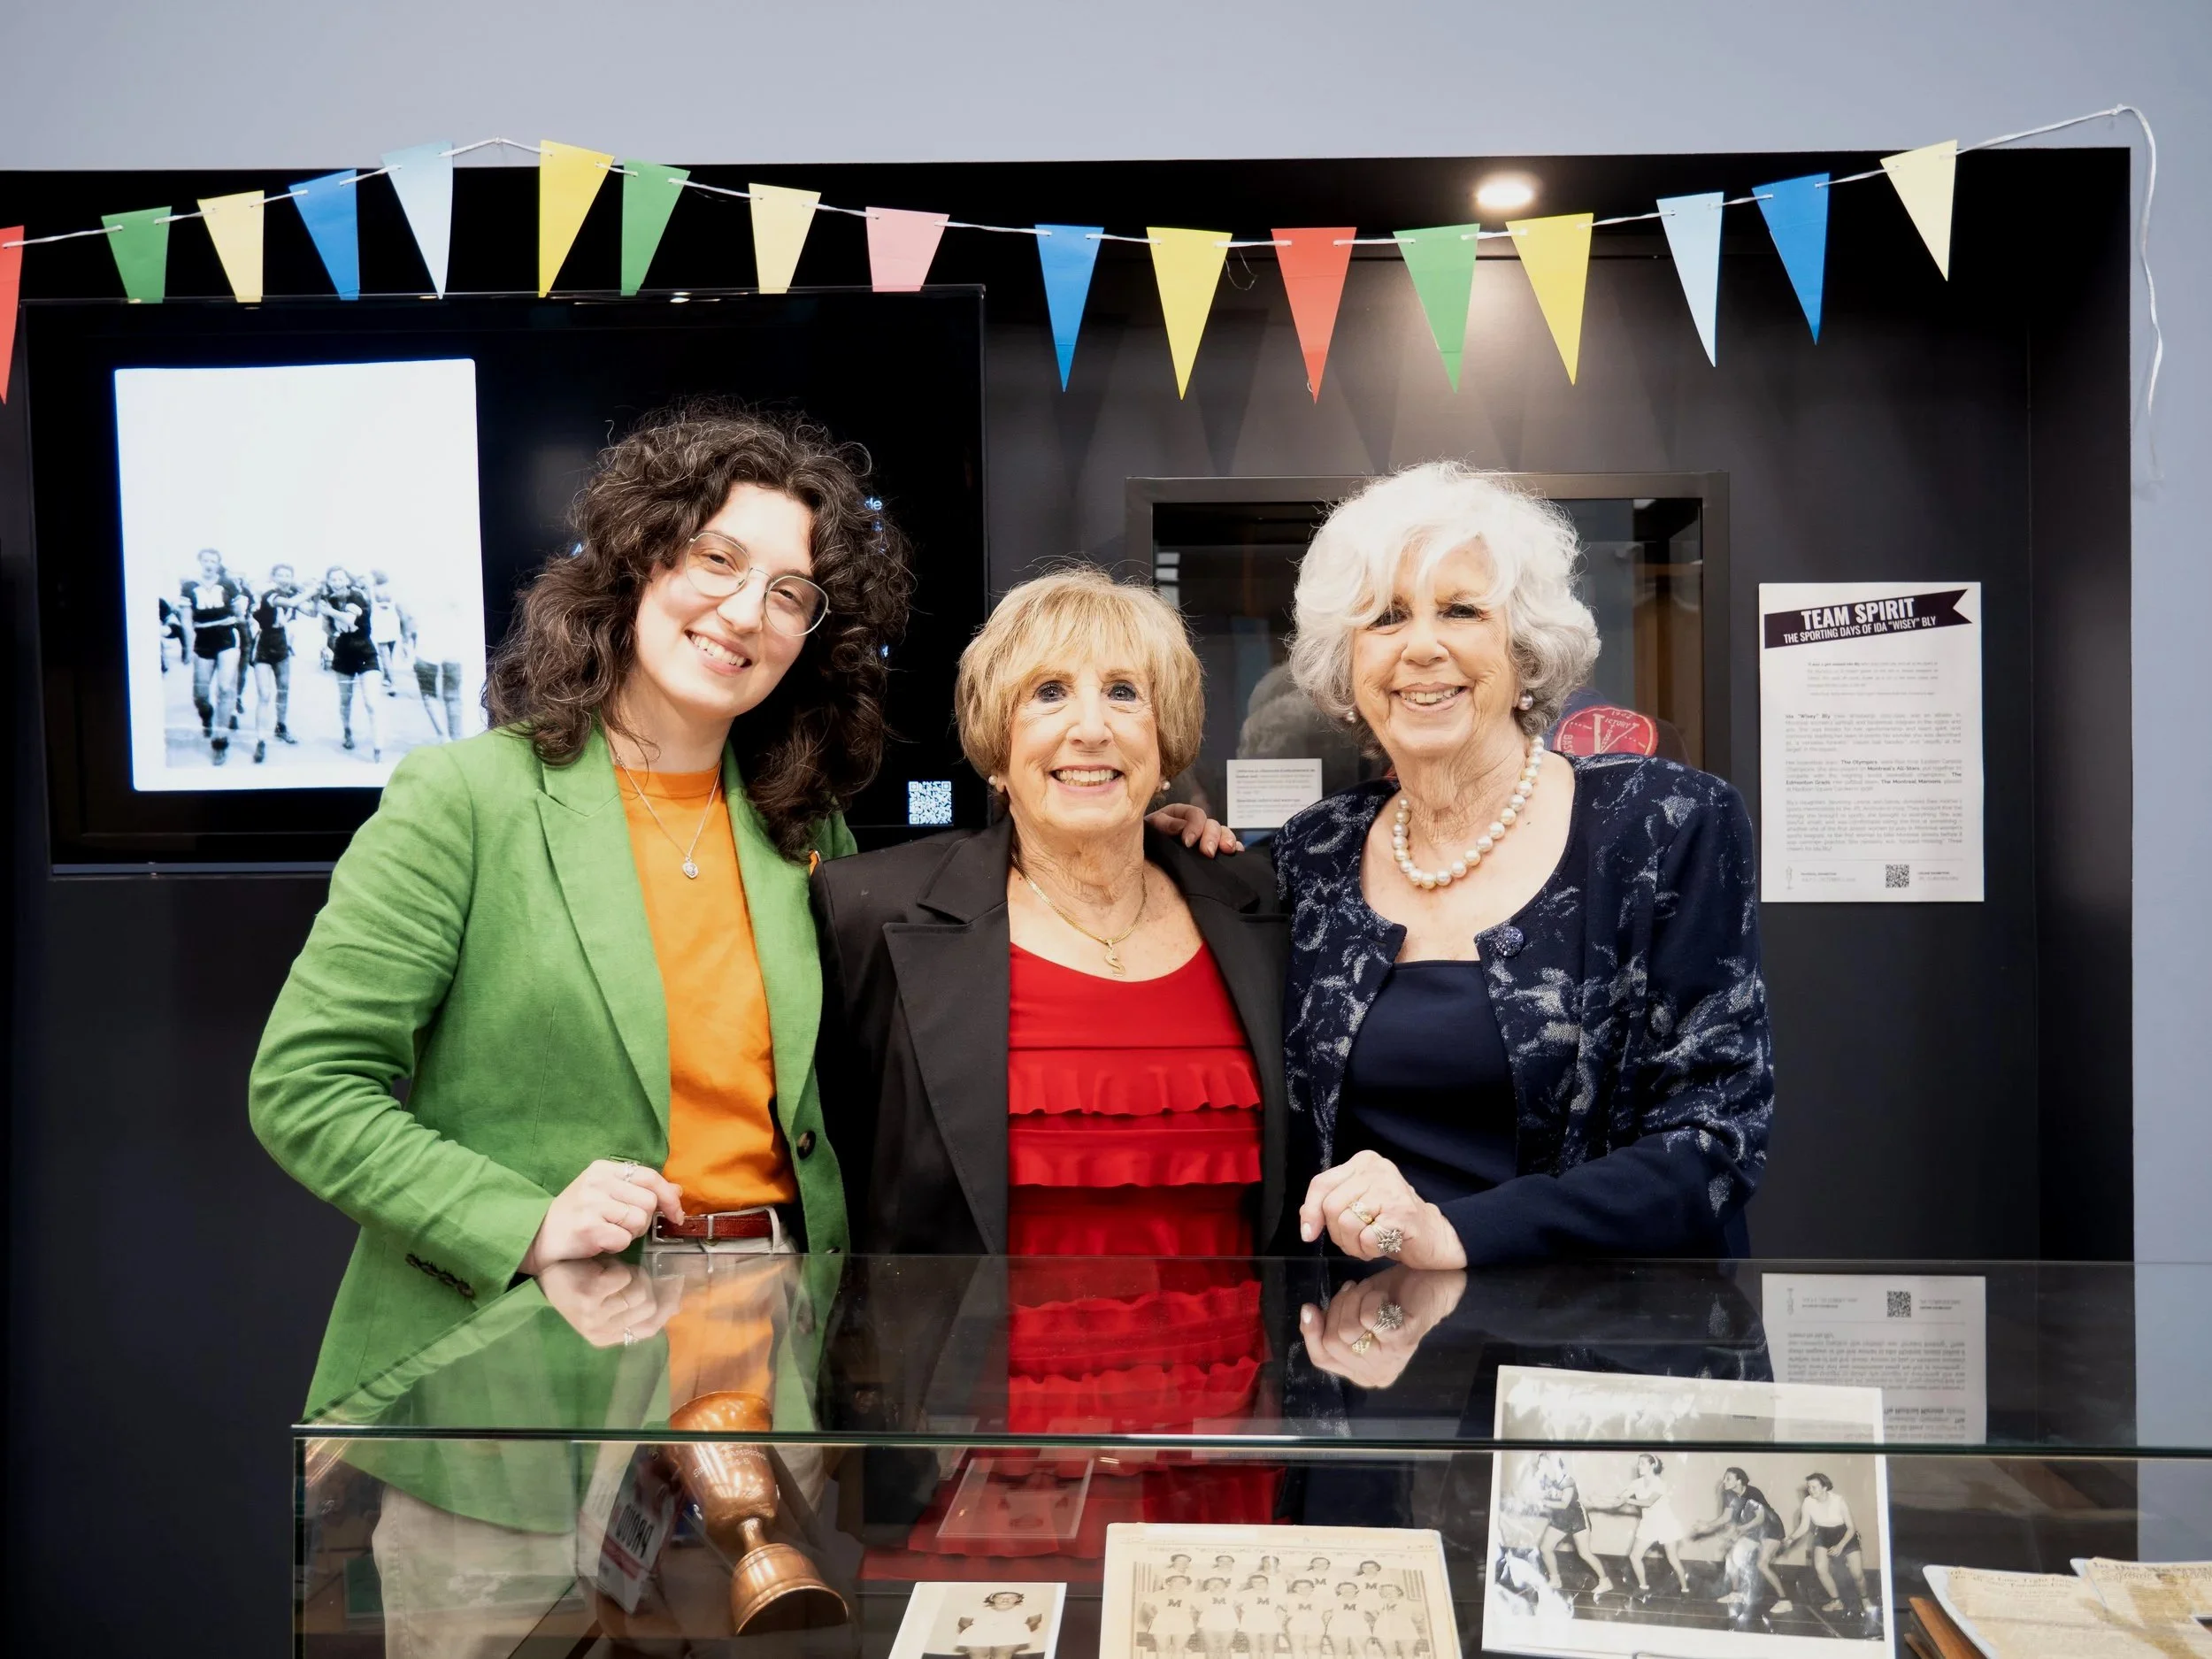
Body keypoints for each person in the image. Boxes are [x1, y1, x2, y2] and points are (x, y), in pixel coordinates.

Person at [250, 405, 911, 1649]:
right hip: (507, 1404)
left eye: (791, 591)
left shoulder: (805, 829)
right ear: (639, 559)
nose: (745, 611)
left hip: (763, 1382)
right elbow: (307, 1083)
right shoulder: (466, 800)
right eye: (715, 558)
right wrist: (528, 1218)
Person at [1274, 462, 1772, 1270]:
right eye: (1387, 616)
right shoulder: (1314, 853)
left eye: (1462, 610)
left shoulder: (1665, 824)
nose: (1423, 646)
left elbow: (1714, 1138)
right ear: (1349, 660)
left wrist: (1457, 1234)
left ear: (1526, 646)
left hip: (1603, 1363)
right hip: (1376, 1356)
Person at [813, 566, 1288, 1256]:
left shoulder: (1257, 906)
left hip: (1236, 1362)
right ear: (998, 747)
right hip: (967, 1364)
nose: (1090, 729)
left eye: (1124, 693)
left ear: (1165, 746)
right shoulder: (873, 918)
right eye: (1049, 693)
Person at [1693, 1466, 1791, 1618]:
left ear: (1739, 1481)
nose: (1724, 1481)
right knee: (1731, 1558)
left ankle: (1785, 1601)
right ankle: (1736, 1593)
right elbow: (1725, 1517)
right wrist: (1707, 1524)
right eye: (1724, 1478)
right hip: (1752, 1529)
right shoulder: (1728, 1494)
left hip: (1771, 1528)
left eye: (1728, 1478)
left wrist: (1740, 1529)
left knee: (1762, 1565)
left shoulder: (1753, 1493)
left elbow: (1760, 1519)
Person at [180, 547, 250, 764]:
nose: (209, 564)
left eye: (214, 560)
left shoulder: (228, 583)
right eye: (206, 560)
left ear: (219, 564)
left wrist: (239, 612)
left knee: (225, 688)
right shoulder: (189, 586)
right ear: (200, 562)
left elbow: (240, 613)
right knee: (201, 695)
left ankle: (220, 741)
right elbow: (185, 620)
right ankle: (207, 715)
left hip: (227, 639)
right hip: (203, 641)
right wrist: (187, 648)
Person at [1786, 1472, 1875, 1626]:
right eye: (1809, 1487)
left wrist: (1840, 1546)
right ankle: (1836, 1601)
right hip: (1823, 1534)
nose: (1810, 1490)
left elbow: (1851, 1528)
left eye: (1814, 1487)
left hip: (1845, 1535)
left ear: (1825, 1488)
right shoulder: (1808, 1502)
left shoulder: (1838, 1501)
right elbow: (1804, 1526)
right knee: (1821, 1569)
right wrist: (1791, 1538)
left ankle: (1865, 1598)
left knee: (1857, 1573)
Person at [318, 564, 384, 760]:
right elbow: (327, 628)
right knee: (345, 699)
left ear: (347, 580)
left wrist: (328, 611)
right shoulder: (329, 600)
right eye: (333, 579)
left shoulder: (356, 595)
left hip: (365, 652)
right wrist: (328, 624)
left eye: (340, 578)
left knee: (371, 702)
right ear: (329, 582)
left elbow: (349, 619)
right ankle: (347, 731)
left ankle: (378, 746)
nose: (337, 582)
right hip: (343, 652)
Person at [1534, 1451, 1617, 1600]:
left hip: (1576, 1518)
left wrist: (1543, 1502)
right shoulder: (1545, 1480)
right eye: (1539, 1462)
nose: (1539, 1465)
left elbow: (1564, 1503)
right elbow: (1542, 1495)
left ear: (1552, 1463)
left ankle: (1606, 1582)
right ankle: (1555, 1580)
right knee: (1545, 1547)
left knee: (1585, 1553)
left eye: (1542, 1462)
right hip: (1561, 1518)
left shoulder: (1567, 1480)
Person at [1608, 1453, 1689, 1600]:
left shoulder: (1659, 1483)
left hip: (1666, 1523)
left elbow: (1648, 1502)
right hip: (1648, 1524)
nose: (1639, 1466)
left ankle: (1685, 1588)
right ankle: (1643, 1587)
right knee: (1634, 1556)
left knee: (1672, 1558)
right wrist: (1600, 1500)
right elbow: (1620, 1499)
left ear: (1653, 1466)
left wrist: (1627, 1500)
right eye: (1639, 1463)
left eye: (1643, 1463)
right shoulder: (1636, 1483)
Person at [250, 562, 306, 763]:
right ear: (274, 577)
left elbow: (312, 611)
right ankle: (260, 740)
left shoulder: (293, 595)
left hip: (282, 646)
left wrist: (315, 595)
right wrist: (311, 590)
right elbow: (290, 605)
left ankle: (281, 726)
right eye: (280, 575)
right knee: (264, 694)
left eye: (287, 575)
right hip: (264, 645)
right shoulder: (270, 595)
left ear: (292, 578)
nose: (284, 579)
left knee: (284, 689)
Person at [956, 1589, 1044, 1659]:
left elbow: (1035, 1620)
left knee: (1002, 1657)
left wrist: (1018, 1630)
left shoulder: (1025, 1608)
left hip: (1010, 1634)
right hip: (979, 1634)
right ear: (992, 1598)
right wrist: (979, 1632)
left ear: (1018, 1598)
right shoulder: (978, 1608)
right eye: (999, 1597)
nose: (1005, 1599)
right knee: (978, 1657)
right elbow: (963, 1623)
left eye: (1012, 1597)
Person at [369, 567, 407, 695]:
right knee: (388, 652)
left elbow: (369, 605)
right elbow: (400, 607)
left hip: (380, 622)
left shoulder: (372, 589)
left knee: (384, 653)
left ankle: (393, 683)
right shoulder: (393, 588)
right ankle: (387, 677)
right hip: (392, 621)